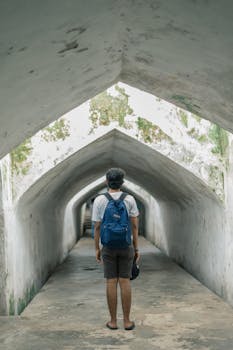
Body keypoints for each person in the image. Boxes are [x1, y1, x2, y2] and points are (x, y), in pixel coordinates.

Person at [92, 168, 140, 330]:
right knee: (125, 281)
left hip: (108, 246)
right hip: (126, 246)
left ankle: (113, 321)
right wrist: (136, 248)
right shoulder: (130, 199)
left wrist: (97, 248)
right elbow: (134, 225)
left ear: (107, 182)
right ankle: (127, 321)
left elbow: (97, 227)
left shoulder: (99, 200)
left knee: (111, 281)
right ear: (122, 183)